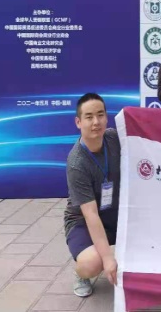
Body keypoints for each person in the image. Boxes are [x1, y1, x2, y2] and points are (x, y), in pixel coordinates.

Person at [64, 93, 120, 298]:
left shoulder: (114, 138)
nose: (96, 122)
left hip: (115, 212)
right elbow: (90, 214)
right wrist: (107, 259)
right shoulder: (76, 163)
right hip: (83, 221)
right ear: (78, 122)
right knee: (92, 263)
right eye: (89, 117)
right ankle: (81, 274)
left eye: (100, 115)